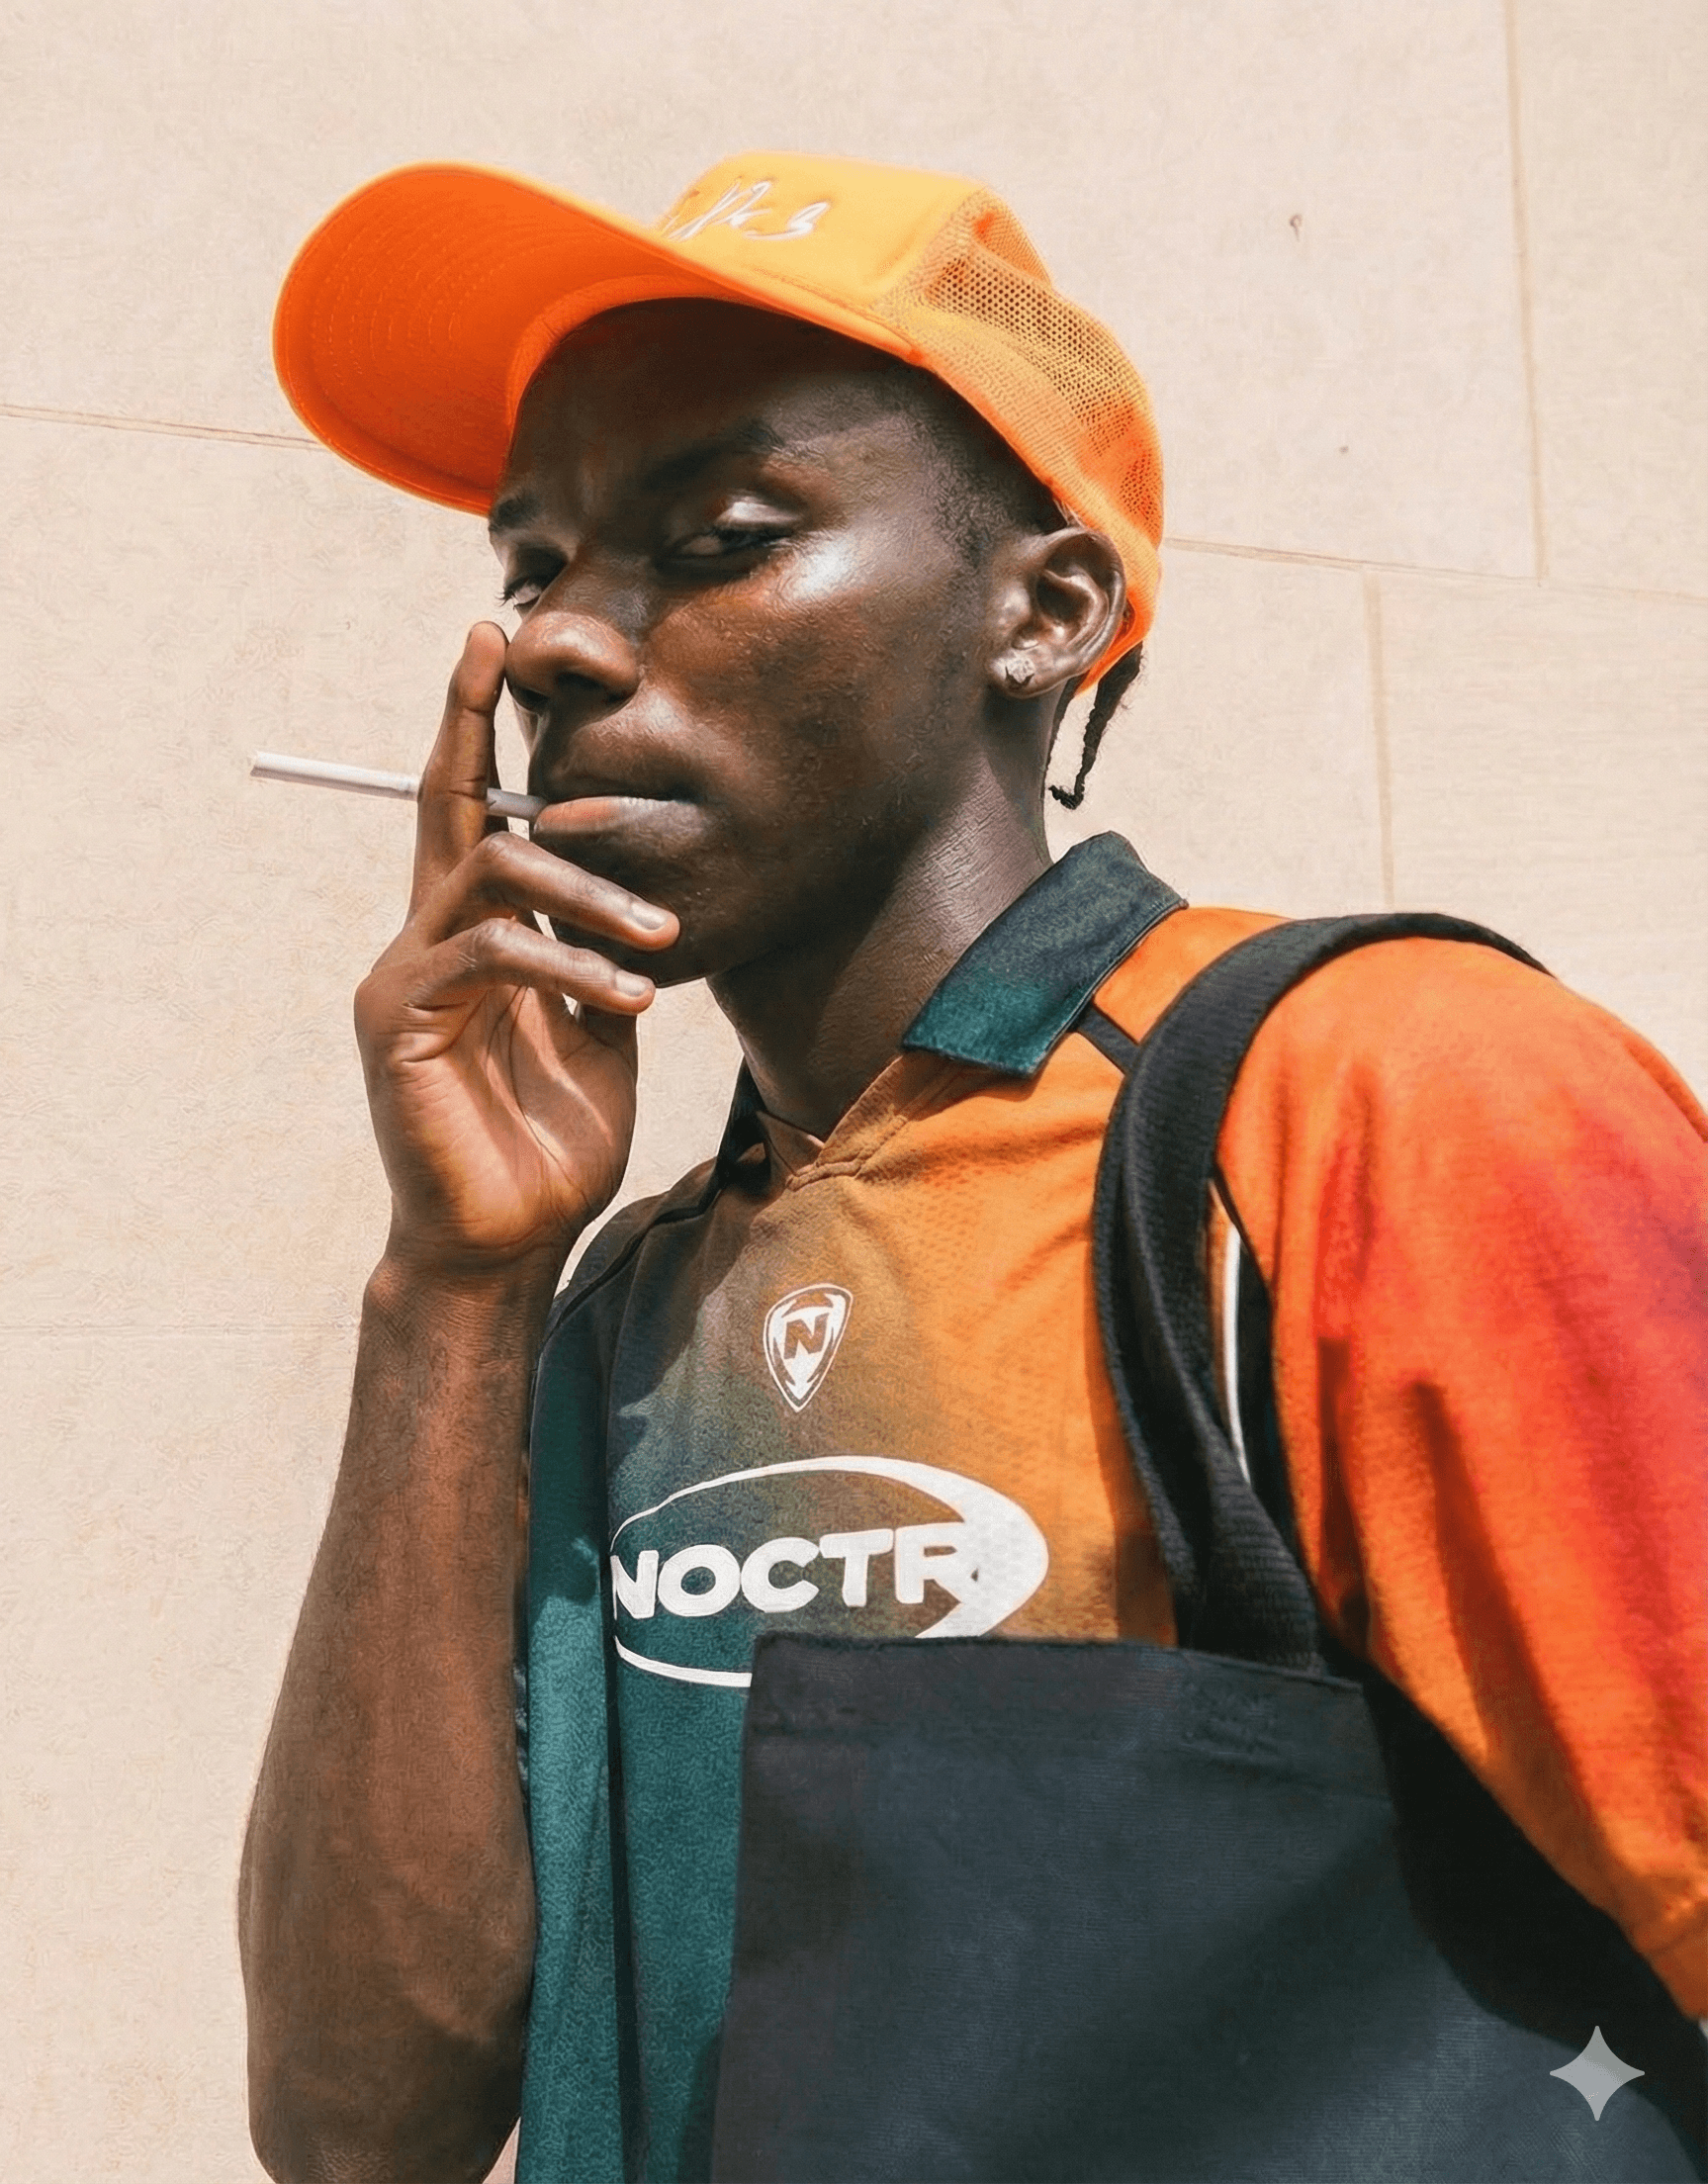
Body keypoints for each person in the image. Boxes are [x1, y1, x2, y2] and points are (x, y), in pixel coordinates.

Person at [237, 153, 1707, 2184]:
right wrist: (453, 1287)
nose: (562, 642)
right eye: (534, 565)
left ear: (1046, 611)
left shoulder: (1383, 1095)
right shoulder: (621, 1308)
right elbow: (353, 2128)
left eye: (720, 536)